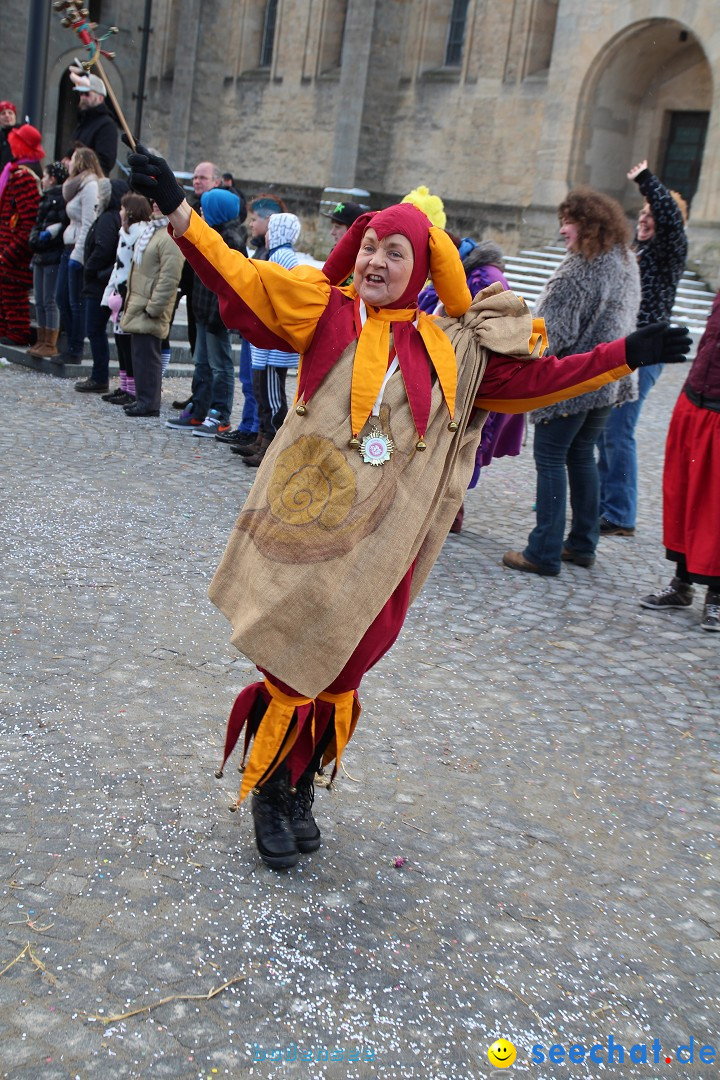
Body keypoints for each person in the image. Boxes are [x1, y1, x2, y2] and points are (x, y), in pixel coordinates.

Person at [126, 141, 690, 870]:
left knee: (349, 661)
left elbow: (534, 382)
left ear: (420, 268)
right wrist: (178, 207)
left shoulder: (454, 347)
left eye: (396, 252)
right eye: (369, 248)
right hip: (312, 523)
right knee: (296, 655)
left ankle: (301, 784)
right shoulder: (325, 314)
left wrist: (625, 354)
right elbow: (240, 278)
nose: (377, 263)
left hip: (388, 544)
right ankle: (269, 783)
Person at [504, 188, 641, 576]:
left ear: (588, 225)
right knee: (581, 457)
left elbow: (549, 334)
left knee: (550, 458)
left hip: (571, 380)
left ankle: (543, 551)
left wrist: (513, 351)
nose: (563, 230)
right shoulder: (625, 260)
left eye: (569, 222)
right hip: (607, 380)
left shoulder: (581, 268)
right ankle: (582, 544)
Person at [597, 160, 688, 537]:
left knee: (619, 430)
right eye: (643, 213)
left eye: (653, 213)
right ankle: (605, 506)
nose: (645, 218)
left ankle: (619, 515)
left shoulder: (669, 249)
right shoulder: (639, 251)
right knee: (605, 430)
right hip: (624, 349)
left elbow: (668, 216)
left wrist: (645, 181)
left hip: (647, 353)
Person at [640, 291, 720, 632]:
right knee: (682, 496)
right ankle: (681, 583)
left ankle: (716, 597)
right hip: (694, 402)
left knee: (715, 507)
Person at [166, 188, 247, 434]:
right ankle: (199, 407)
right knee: (201, 362)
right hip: (201, 311)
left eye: (206, 206)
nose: (200, 210)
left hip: (216, 316)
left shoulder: (230, 240)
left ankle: (220, 413)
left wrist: (217, 316)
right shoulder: (210, 233)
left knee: (220, 365)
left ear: (217, 210)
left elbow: (232, 282)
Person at [236, 211, 302, 468]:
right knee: (261, 389)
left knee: (273, 395)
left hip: (275, 341)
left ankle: (271, 444)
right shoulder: (275, 255)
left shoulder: (284, 257)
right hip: (265, 339)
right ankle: (263, 436)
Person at [119, 202, 184, 417]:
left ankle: (149, 403)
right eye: (154, 202)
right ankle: (143, 399)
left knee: (149, 356)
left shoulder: (169, 236)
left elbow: (169, 277)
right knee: (140, 355)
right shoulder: (153, 231)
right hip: (140, 304)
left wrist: (153, 308)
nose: (156, 205)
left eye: (160, 202)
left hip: (149, 306)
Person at [75, 177, 128, 393]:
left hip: (98, 282)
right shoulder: (112, 217)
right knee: (97, 330)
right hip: (101, 280)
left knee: (94, 330)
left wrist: (90, 268)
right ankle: (99, 376)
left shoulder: (108, 218)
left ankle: (99, 377)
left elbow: (102, 248)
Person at [100, 192, 153, 405]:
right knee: (120, 343)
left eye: (123, 208)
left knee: (127, 343)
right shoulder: (125, 232)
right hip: (119, 293)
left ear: (130, 211)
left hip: (129, 294)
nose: (120, 212)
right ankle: (124, 386)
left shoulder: (140, 234)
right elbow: (118, 266)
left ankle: (132, 389)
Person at [54, 147, 104, 364]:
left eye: (73, 159)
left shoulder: (90, 186)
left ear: (81, 161)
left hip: (77, 248)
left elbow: (88, 223)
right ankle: (72, 346)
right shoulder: (78, 186)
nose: (69, 163)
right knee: (61, 298)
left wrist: (79, 254)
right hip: (69, 246)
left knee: (74, 301)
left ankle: (75, 349)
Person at [0, 124, 43, 346]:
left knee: (12, 289)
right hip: (8, 244)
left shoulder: (23, 176)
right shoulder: (16, 171)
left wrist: (9, 252)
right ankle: (7, 329)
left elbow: (28, 219)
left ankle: (17, 331)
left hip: (14, 249)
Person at [27, 161, 69, 358]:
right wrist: (35, 238)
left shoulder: (60, 198)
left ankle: (50, 342)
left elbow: (62, 225)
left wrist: (47, 235)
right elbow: (38, 223)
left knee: (49, 300)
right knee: (41, 300)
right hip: (41, 255)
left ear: (52, 178)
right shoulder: (45, 199)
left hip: (52, 256)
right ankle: (41, 339)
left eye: (44, 176)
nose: (42, 180)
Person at [69, 71, 118, 176]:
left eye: (87, 94)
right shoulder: (83, 122)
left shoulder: (107, 125)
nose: (82, 97)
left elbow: (105, 161)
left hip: (93, 182)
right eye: (81, 93)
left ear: (100, 98)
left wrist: (79, 164)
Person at [0, 100, 18, 171]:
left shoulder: (21, 134)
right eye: (3, 113)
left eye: (10, 113)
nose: (7, 116)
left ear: (15, 116)